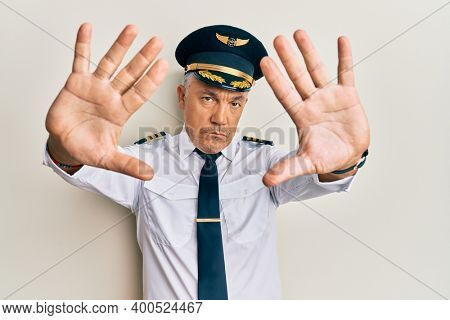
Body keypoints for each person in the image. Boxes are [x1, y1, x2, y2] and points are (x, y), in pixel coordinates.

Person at [42, 23, 370, 300]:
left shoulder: (267, 162)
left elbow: (328, 175)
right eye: (208, 97)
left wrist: (345, 158)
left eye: (236, 103)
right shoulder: (142, 162)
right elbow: (76, 164)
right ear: (183, 98)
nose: (220, 118)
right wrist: (66, 144)